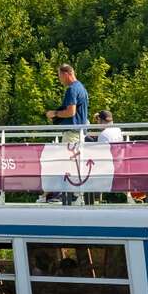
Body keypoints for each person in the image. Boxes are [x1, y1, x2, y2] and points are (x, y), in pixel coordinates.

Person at [46, 65, 90, 205]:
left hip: (72, 133)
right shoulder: (81, 88)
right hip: (79, 132)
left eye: (59, 75)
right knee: (75, 163)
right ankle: (76, 194)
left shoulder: (72, 89)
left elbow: (71, 112)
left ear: (66, 74)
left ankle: (68, 195)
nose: (59, 79)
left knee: (67, 163)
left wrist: (55, 114)